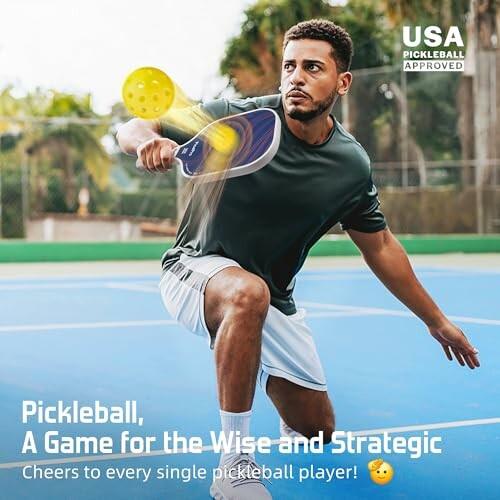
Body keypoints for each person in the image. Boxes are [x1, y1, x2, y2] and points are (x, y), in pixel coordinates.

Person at [117, 19, 480, 500]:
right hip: (195, 268)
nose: (296, 78)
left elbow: (381, 246)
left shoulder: (349, 165)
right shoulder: (238, 122)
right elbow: (135, 124)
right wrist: (147, 142)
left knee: (318, 429)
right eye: (290, 67)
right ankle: (233, 466)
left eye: (312, 68)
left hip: (274, 298)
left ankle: (252, 356)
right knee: (248, 294)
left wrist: (436, 321)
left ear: (342, 82)